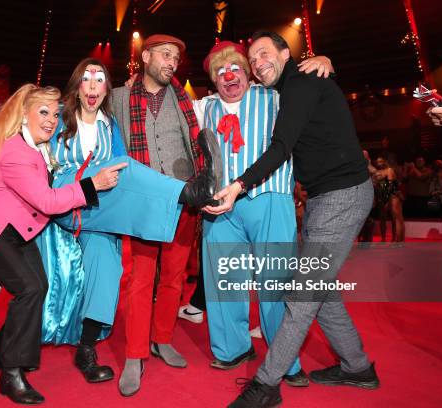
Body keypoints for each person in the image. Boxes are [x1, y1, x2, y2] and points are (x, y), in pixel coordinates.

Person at [206, 31, 379, 408]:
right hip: (324, 199)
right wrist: (327, 61)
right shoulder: (293, 86)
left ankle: (266, 384)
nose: (257, 63)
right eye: (252, 59)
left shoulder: (301, 83)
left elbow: (282, 146)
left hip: (342, 196)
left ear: (287, 53)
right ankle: (357, 367)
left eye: (264, 53)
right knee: (321, 289)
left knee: (301, 293)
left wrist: (238, 185)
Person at [34, 57, 218, 386]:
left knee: (108, 266)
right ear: (77, 86)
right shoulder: (57, 118)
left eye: (99, 80)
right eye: (87, 79)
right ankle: (188, 193)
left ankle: (86, 349)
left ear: (107, 89)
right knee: (124, 165)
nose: (92, 85)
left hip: (95, 211)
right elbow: (31, 148)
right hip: (65, 197)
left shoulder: (108, 123)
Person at [0, 84, 123, 404]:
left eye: (55, 113)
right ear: (23, 115)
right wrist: (92, 185)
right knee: (30, 288)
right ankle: (11, 374)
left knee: (37, 287)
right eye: (43, 112)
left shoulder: (37, 147)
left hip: (19, 229)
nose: (52, 119)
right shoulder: (15, 151)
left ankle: (4, 352)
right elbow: (45, 200)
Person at [193, 40, 315, 385]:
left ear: (247, 74)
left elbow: (304, 86)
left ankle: (284, 360)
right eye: (220, 72)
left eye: (235, 69)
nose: (228, 76)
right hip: (220, 205)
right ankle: (232, 348)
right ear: (214, 80)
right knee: (224, 281)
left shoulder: (274, 98)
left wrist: (321, 60)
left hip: (269, 197)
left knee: (275, 282)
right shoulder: (205, 107)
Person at [110, 34, 209, 396]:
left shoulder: (187, 101)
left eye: (176, 58)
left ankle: (162, 338)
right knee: (140, 278)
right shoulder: (118, 98)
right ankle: (135, 354)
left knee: (174, 278)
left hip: (183, 199)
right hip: (142, 202)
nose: (172, 62)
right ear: (146, 55)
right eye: (165, 55)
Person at [372, 156, 404, 244]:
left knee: (395, 219)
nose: (379, 164)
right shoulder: (377, 172)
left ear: (385, 161)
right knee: (383, 219)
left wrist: (388, 198)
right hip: (382, 197)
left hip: (391, 196)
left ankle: (396, 239)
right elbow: (375, 186)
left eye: (381, 161)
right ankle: (383, 239)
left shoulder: (389, 170)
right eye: (378, 162)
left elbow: (391, 186)